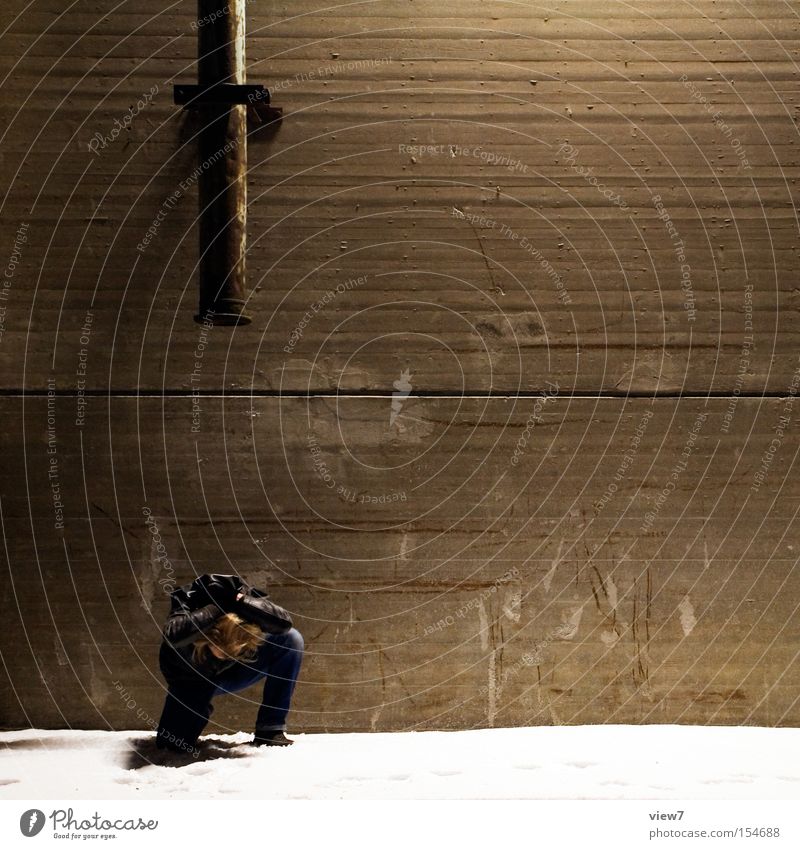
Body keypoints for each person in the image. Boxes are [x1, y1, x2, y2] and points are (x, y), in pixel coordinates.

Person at [155, 572, 304, 752]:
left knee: (291, 639)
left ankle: (270, 729)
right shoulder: (187, 601)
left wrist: (238, 601)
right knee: (172, 746)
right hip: (192, 680)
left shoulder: (241, 602)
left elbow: (284, 623)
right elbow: (172, 635)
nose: (224, 653)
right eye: (219, 647)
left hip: (231, 672)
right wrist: (218, 605)